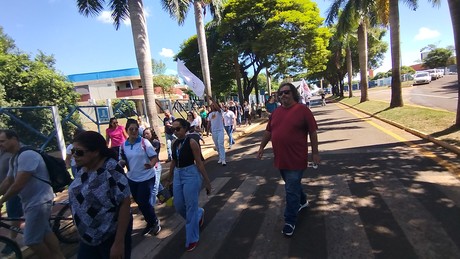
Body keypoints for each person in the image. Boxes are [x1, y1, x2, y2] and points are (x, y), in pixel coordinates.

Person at [257, 82, 320, 237]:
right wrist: (261, 147)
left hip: (297, 159)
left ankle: (289, 220)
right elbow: (268, 132)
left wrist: (315, 153)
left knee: (290, 189)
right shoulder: (276, 113)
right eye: (281, 93)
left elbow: (313, 132)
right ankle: (303, 201)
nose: (283, 95)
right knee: (292, 185)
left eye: (287, 92)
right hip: (281, 159)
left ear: (294, 94)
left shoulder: (303, 110)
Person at [0, 129, 65, 259]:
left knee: (31, 240)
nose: (0, 144)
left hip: (39, 202)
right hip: (31, 202)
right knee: (46, 232)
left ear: (14, 139)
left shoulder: (27, 155)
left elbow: (18, 184)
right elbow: (8, 181)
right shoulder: (15, 157)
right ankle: (59, 256)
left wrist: (1, 201)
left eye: (2, 141)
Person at [69, 131, 132, 259]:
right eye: (73, 151)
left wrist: (119, 243)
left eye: (79, 152)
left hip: (109, 236)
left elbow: (125, 204)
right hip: (87, 238)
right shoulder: (83, 168)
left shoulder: (111, 170)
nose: (74, 155)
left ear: (96, 152)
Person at [166, 118, 211, 252]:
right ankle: (198, 215)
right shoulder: (174, 143)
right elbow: (174, 161)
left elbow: (199, 163)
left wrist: (207, 182)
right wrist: (169, 178)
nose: (175, 131)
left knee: (191, 207)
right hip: (178, 176)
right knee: (179, 205)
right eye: (173, 129)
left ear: (185, 129)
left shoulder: (192, 142)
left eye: (178, 128)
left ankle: (192, 238)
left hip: (191, 174)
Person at [119, 119, 161, 236]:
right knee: (139, 202)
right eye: (131, 129)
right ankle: (150, 222)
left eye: (136, 129)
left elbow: (154, 158)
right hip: (132, 178)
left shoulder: (144, 142)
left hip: (147, 177)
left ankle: (154, 222)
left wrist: (151, 165)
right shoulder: (123, 146)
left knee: (143, 201)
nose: (134, 131)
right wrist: (121, 163)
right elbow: (122, 159)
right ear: (127, 131)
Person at [0, 149, 23, 251]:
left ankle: (12, 240)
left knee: (13, 215)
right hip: (5, 189)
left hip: (15, 190)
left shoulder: (10, 155)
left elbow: (11, 179)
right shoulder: (2, 154)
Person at [142, 127, 165, 204]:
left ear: (152, 134)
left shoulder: (155, 142)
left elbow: (150, 153)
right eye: (144, 134)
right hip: (149, 167)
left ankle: (151, 205)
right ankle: (166, 199)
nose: (145, 135)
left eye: (147, 134)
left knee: (154, 187)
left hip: (156, 166)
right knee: (159, 186)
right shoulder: (143, 143)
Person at [207, 100, 227, 166]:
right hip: (214, 131)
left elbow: (218, 108)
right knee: (217, 145)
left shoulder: (220, 112)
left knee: (220, 144)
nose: (213, 106)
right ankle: (220, 157)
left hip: (220, 130)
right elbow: (209, 123)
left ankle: (223, 159)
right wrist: (207, 131)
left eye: (214, 105)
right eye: (212, 106)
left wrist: (212, 99)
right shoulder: (210, 114)